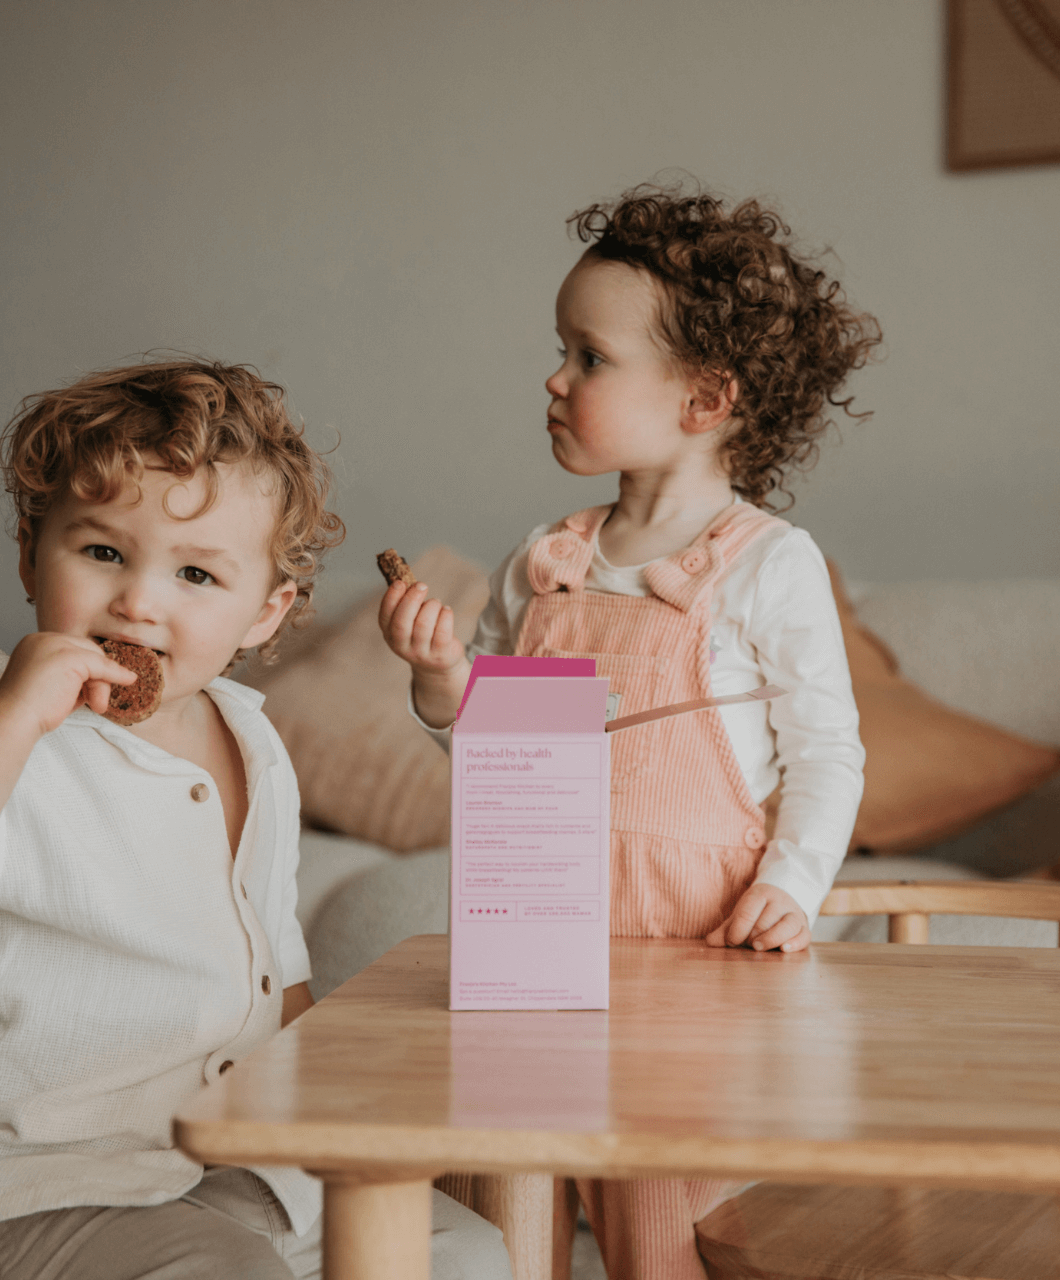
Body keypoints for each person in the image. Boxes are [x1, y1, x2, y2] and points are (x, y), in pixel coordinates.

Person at [0, 360, 513, 1280]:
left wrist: (341, 1113)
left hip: (251, 1168)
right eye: (101, 553)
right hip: (50, 1184)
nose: (140, 602)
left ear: (264, 614)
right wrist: (11, 718)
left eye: (194, 574)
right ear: (30, 554)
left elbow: (276, 975)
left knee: (467, 1253)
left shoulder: (254, 742)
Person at [379, 185, 879, 1279]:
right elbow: (493, 753)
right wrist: (439, 679)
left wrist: (792, 885)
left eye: (588, 357)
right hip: (537, 934)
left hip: (691, 952)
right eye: (558, 349)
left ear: (702, 396)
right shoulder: (544, 558)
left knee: (654, 1230)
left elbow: (826, 752)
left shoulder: (764, 562)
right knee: (510, 1208)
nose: (553, 379)